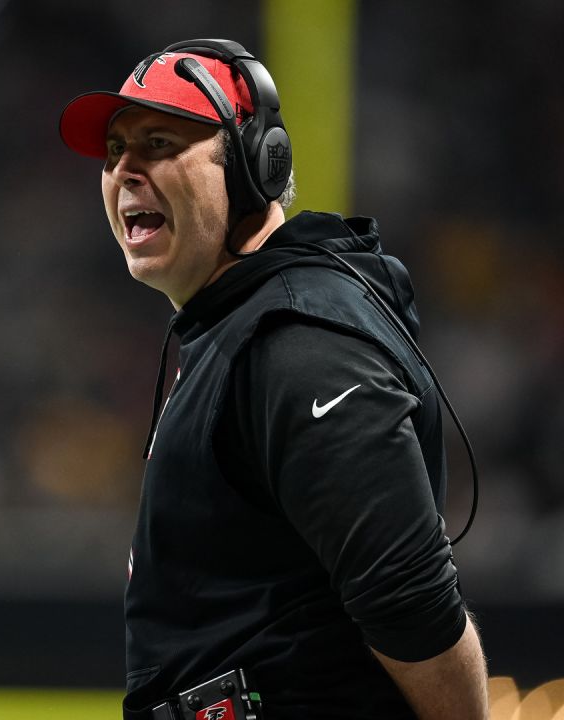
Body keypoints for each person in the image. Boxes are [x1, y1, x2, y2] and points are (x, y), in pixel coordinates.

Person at [58, 39, 488, 719]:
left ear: (259, 164)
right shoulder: (237, 329)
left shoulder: (299, 344)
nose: (124, 172)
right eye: (114, 153)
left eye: (160, 143)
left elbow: (412, 606)